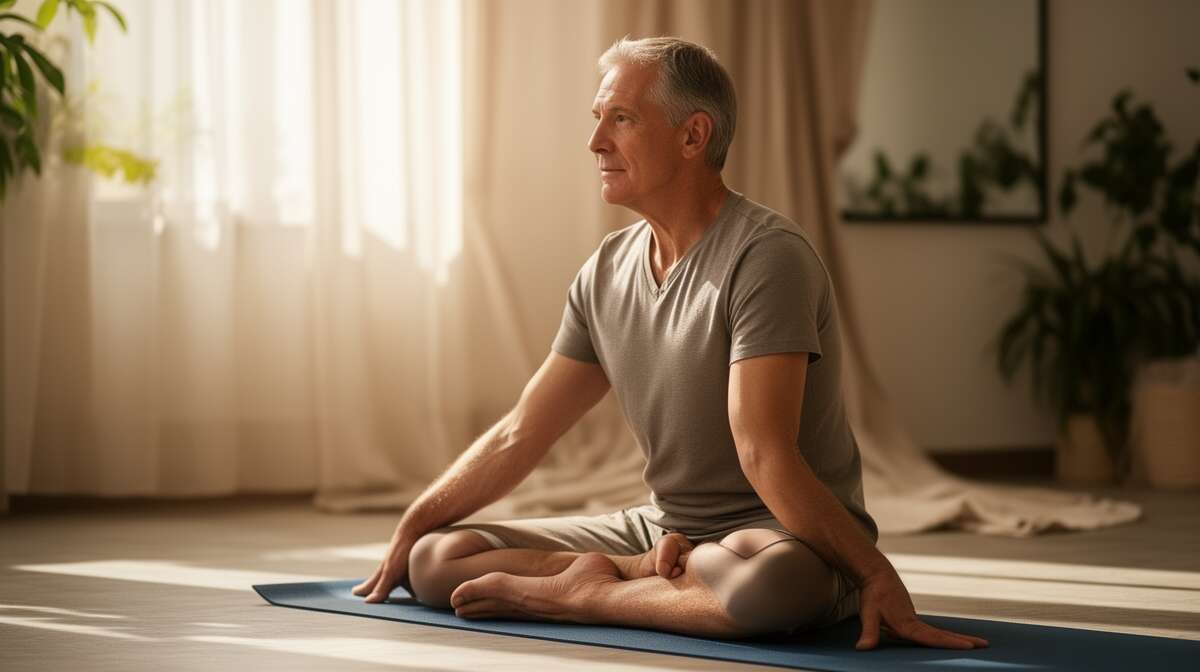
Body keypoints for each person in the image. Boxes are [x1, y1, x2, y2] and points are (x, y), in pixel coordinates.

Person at [353, 36, 988, 650]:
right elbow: (524, 432)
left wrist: (873, 572)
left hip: (777, 534)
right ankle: (635, 577)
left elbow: (763, 451)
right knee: (436, 559)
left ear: (693, 136)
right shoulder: (605, 271)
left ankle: (587, 596)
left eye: (622, 119)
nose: (596, 142)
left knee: (771, 587)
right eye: (599, 118)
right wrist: (416, 519)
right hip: (663, 533)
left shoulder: (767, 257)